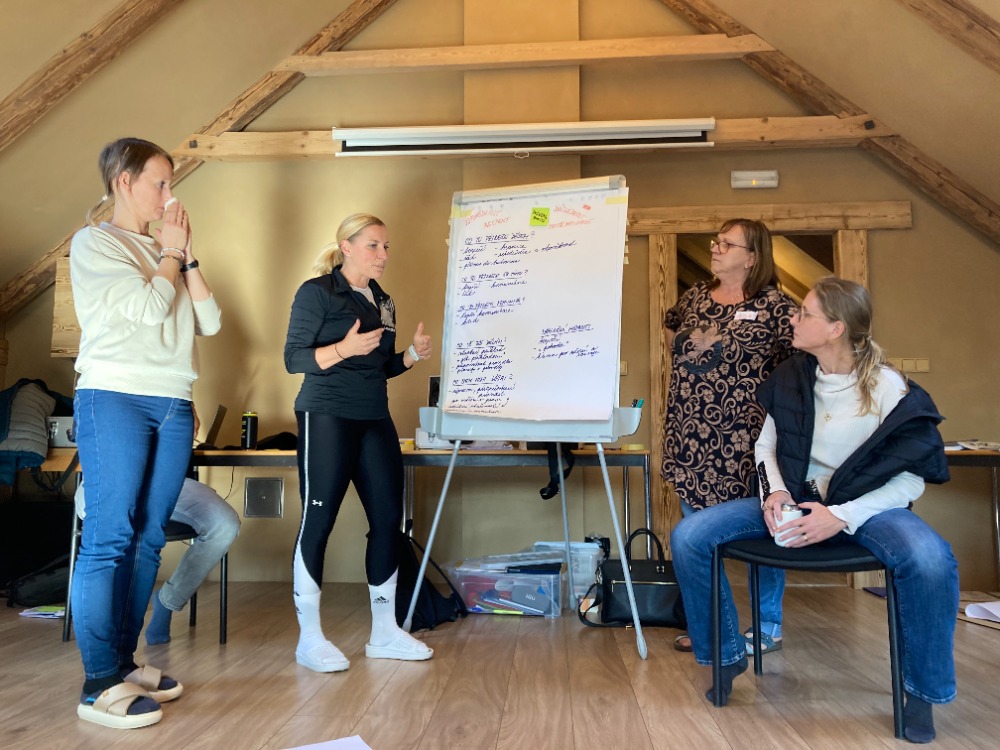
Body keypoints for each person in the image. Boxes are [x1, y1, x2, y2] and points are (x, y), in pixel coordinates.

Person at [670, 277, 956, 744]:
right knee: (691, 536)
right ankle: (725, 657)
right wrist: (774, 495)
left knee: (930, 558)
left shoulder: (888, 386)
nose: (793, 318)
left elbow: (910, 479)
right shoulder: (791, 377)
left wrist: (841, 515)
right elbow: (766, 448)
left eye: (805, 313)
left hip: (869, 509)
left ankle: (921, 692)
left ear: (836, 328)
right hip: (795, 499)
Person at [69, 137, 221, 729]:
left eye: (170, 183)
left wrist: (188, 257)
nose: (169, 195)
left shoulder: (167, 252)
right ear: (123, 182)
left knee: (148, 539)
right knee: (109, 537)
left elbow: (208, 321)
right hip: (114, 397)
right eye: (159, 182)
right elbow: (149, 308)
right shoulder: (96, 243)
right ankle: (96, 683)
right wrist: (171, 254)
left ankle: (121, 664)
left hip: (173, 400)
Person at [284, 213, 433, 673]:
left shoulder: (383, 301)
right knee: (318, 521)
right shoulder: (317, 292)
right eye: (373, 245)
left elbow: (380, 366)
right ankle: (310, 639)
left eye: (386, 247)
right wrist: (342, 349)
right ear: (346, 247)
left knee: (388, 520)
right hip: (327, 415)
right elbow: (294, 359)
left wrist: (410, 356)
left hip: (374, 418)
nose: (383, 255)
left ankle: (384, 633)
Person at [662, 219, 795, 652]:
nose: (715, 248)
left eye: (726, 243)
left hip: (749, 443)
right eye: (716, 242)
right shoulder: (696, 296)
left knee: (763, 532)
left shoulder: (776, 305)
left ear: (752, 257)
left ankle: (768, 626)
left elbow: (800, 363)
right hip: (691, 439)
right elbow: (671, 326)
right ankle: (713, 627)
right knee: (696, 535)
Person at [74, 477, 240, 645]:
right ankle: (105, 641)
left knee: (225, 524)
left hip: (163, 478)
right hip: (106, 478)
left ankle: (168, 600)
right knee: (117, 525)